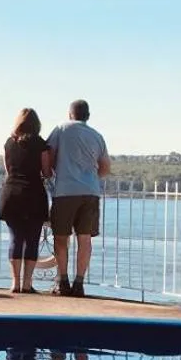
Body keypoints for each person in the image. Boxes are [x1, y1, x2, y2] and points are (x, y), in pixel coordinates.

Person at [43, 99, 109, 297]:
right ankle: (79, 283)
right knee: (85, 238)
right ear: (88, 116)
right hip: (90, 192)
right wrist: (91, 178)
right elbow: (105, 167)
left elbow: (47, 153)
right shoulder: (97, 136)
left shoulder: (61, 129)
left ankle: (62, 281)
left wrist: (50, 173)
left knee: (61, 237)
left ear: (70, 114)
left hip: (65, 191)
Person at [0, 107, 50, 293]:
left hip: (12, 194)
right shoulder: (41, 144)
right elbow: (46, 172)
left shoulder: (9, 143)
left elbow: (8, 170)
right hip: (34, 194)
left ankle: (15, 283)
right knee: (32, 239)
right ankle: (27, 283)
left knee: (15, 239)